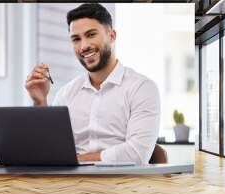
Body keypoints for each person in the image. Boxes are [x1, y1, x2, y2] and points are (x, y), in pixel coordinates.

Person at [25, 3, 160, 165]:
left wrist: (77, 160)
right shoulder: (66, 93)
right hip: (70, 186)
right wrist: (40, 102)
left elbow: (137, 154)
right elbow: (49, 151)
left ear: (112, 36)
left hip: (121, 185)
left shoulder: (142, 88)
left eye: (91, 35)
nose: (84, 46)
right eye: (76, 39)